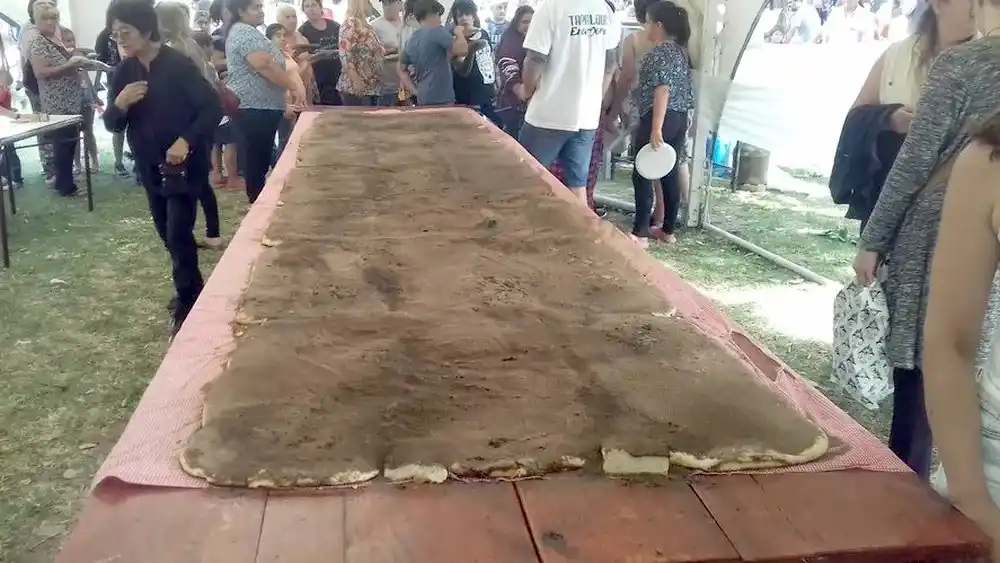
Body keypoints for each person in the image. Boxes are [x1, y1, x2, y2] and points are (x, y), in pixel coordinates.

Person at [853, 0, 1000, 482]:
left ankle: (910, 498)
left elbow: (917, 159)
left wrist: (874, 238)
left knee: (925, 369)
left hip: (941, 231)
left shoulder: (962, 64)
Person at [104, 0, 222, 335]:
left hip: (185, 167)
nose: (120, 39)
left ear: (145, 28)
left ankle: (187, 303)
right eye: (115, 35)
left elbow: (210, 108)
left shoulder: (177, 64)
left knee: (177, 231)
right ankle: (193, 289)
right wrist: (119, 104)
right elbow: (112, 124)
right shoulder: (125, 71)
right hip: (149, 168)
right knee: (167, 235)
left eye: (125, 31)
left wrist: (186, 140)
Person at [518, 0, 620, 207]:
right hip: (586, 117)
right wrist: (594, 99)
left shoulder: (551, 7)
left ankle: (527, 234)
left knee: (526, 180)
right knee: (577, 187)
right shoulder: (604, 10)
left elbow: (535, 58)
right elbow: (610, 66)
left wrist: (526, 90)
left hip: (548, 114)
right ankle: (581, 236)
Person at [627, 1, 693, 246]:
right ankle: (668, 230)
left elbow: (662, 90)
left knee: (643, 172)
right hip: (679, 117)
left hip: (660, 116)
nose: (645, 28)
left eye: (648, 22)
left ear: (659, 25)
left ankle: (640, 232)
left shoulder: (659, 53)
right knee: (670, 171)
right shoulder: (680, 52)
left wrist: (655, 128)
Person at [160, 2, 224, 250]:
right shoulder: (190, 44)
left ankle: (200, 233)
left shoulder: (176, 49)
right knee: (199, 182)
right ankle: (212, 233)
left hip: (190, 123)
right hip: (199, 120)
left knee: (194, 183)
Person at [226, 0, 302, 204]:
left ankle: (260, 202)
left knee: (259, 159)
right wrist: (292, 86)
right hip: (253, 106)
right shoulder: (243, 31)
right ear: (241, 11)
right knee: (256, 161)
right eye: (255, 7)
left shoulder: (249, 30)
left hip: (262, 107)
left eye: (261, 6)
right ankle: (258, 205)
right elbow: (264, 64)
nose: (260, 11)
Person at [27, 3, 87, 197]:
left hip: (69, 99)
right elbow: (40, 72)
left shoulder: (54, 39)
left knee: (69, 143)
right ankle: (65, 186)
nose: (51, 22)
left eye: (54, 18)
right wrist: (69, 65)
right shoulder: (38, 41)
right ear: (36, 21)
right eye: (46, 18)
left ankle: (66, 182)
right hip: (57, 102)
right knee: (63, 144)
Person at [397, 0, 469, 107]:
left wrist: (414, 91)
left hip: (423, 97)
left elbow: (401, 69)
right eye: (438, 15)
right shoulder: (437, 31)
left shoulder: (411, 40)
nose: (440, 20)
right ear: (431, 14)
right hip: (442, 97)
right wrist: (459, 33)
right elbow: (462, 50)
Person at [448, 0, 498, 123]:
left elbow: (490, 59)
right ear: (455, 18)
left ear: (474, 15)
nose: (464, 18)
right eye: (460, 15)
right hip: (465, 92)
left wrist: (496, 82)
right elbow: (460, 69)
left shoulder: (484, 33)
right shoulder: (454, 38)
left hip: (486, 89)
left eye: (467, 14)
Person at [266, 23, 311, 158]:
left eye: (284, 35)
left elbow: (294, 75)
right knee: (286, 140)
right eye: (278, 36)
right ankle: (280, 172)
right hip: (285, 102)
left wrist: (309, 62)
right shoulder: (271, 57)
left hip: (297, 102)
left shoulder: (285, 54)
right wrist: (284, 105)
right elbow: (272, 83)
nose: (283, 38)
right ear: (268, 39)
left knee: (295, 138)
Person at [95, 13, 129, 178]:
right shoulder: (104, 36)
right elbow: (100, 61)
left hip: (135, 79)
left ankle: (139, 163)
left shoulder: (135, 31)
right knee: (117, 123)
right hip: (115, 83)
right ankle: (118, 162)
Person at [495, 4, 533, 137]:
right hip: (512, 103)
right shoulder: (510, 40)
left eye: (532, 22)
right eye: (524, 21)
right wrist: (521, 91)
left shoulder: (534, 41)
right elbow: (508, 68)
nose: (528, 25)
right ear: (516, 23)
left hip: (528, 103)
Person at [337, 0, 385, 106]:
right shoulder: (351, 23)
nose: (371, 5)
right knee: (360, 121)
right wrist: (355, 80)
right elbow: (345, 54)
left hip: (372, 86)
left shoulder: (367, 26)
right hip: (356, 87)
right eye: (368, 2)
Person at [300, 0, 343, 105]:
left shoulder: (335, 26)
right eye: (307, 6)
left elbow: (345, 47)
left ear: (320, 7)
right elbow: (304, 56)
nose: (311, 9)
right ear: (303, 10)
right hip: (319, 77)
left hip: (339, 73)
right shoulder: (302, 31)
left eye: (314, 5)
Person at [371, 0, 405, 106]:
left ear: (400, 4)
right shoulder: (375, 25)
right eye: (384, 3)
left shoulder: (407, 23)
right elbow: (372, 53)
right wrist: (392, 50)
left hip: (406, 80)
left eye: (390, 3)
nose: (387, 7)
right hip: (386, 81)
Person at [0, 69, 23, 190]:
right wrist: (10, 111)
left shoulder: (4, 91)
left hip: (4, 125)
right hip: (4, 124)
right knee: (8, 152)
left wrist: (10, 112)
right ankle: (13, 179)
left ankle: (13, 179)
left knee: (8, 152)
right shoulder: (5, 91)